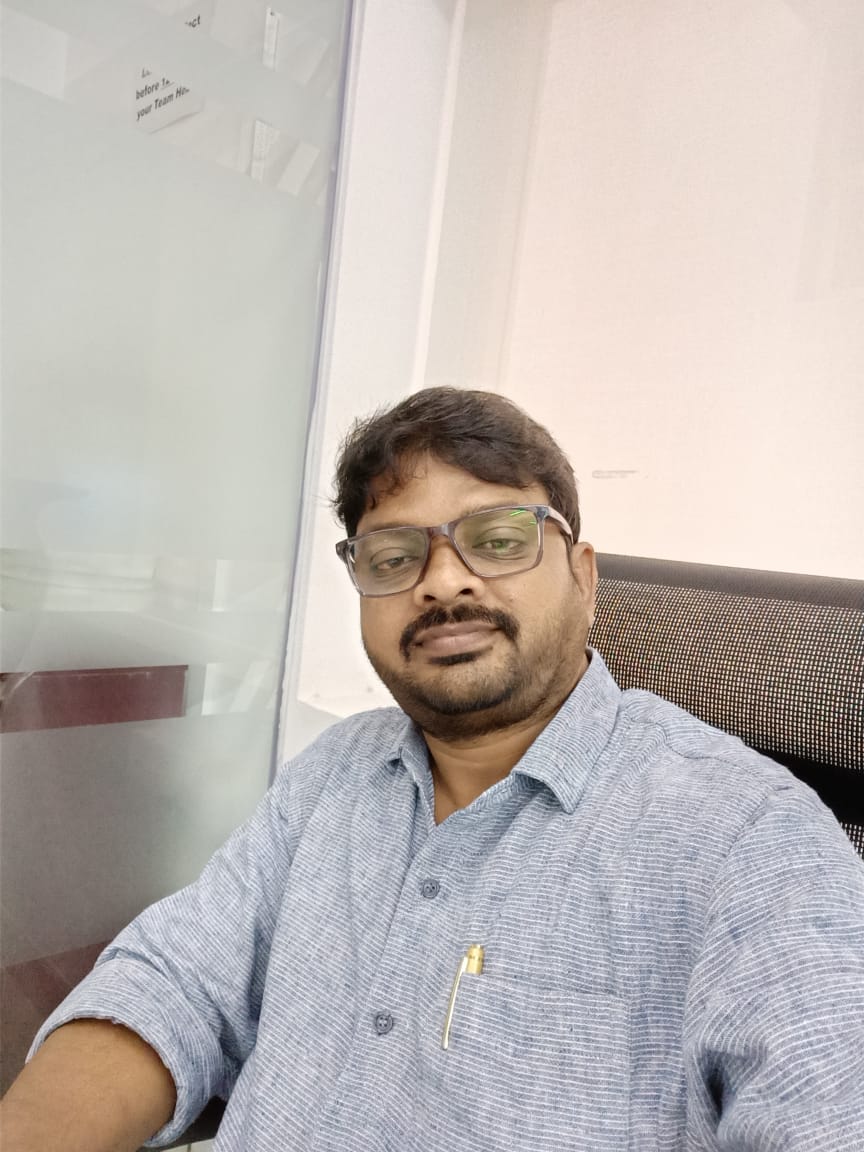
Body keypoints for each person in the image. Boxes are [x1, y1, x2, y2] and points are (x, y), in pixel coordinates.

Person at [2, 387, 863, 1152]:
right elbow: (177, 984)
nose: (444, 583)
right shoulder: (335, 772)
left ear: (584, 576)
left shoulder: (750, 840)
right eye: (392, 557)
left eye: (498, 539)